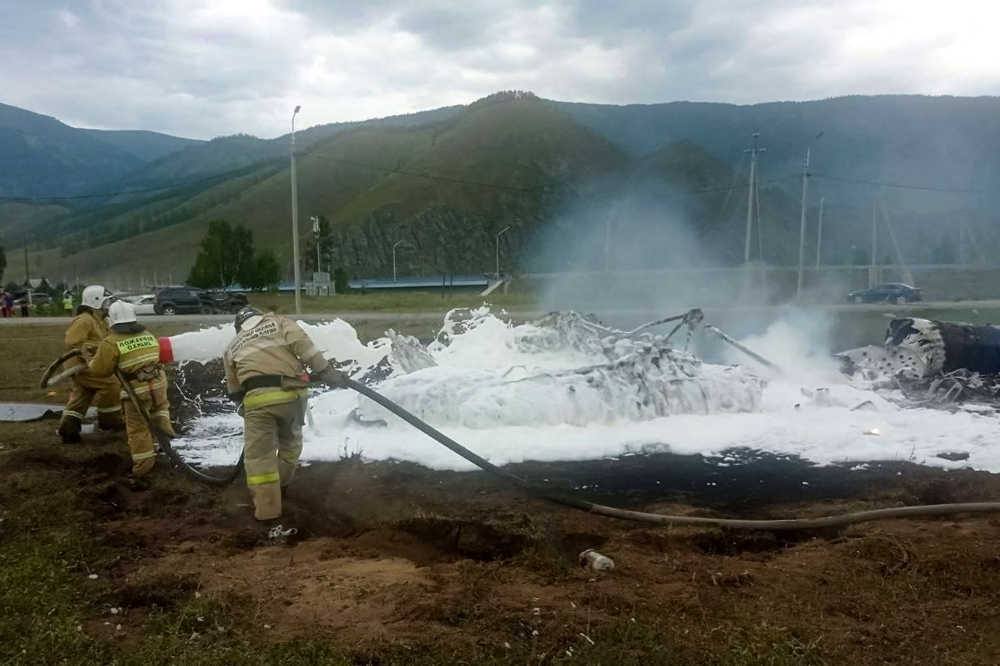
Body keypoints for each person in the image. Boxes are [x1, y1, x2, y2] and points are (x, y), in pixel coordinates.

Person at [223, 306, 349, 522]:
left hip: (257, 401)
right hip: (293, 398)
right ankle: (281, 486)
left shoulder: (232, 346)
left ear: (238, 327)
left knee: (260, 459)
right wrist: (325, 371)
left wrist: (243, 407)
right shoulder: (280, 323)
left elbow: (234, 387)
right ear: (260, 316)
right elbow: (304, 345)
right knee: (290, 444)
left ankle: (268, 512)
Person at [86, 300, 174, 476]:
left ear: (111, 320)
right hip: (158, 384)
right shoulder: (147, 335)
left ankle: (143, 467)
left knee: (138, 428)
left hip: (137, 390)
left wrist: (89, 359)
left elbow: (99, 371)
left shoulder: (110, 342)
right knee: (159, 410)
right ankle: (165, 434)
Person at [58, 285, 124, 443]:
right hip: (82, 366)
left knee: (83, 393)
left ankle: (68, 429)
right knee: (112, 384)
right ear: (95, 303)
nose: (107, 307)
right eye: (105, 303)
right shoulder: (84, 320)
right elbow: (73, 342)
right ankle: (109, 420)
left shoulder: (100, 321)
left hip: (90, 365)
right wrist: (90, 352)